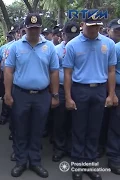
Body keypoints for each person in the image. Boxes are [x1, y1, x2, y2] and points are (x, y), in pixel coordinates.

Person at [63, 9, 117, 180]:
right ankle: (78, 165)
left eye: (97, 26)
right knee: (79, 129)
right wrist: (69, 97)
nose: (94, 29)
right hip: (80, 90)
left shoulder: (108, 44)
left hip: (100, 90)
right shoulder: (72, 45)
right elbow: (68, 73)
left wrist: (111, 94)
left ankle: (90, 164)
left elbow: (111, 71)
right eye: (90, 25)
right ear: (82, 25)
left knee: (94, 129)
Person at [4, 13, 59, 178]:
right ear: (25, 29)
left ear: (40, 28)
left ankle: (35, 161)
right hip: (21, 94)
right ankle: (21, 161)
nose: (33, 31)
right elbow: (8, 71)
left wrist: (55, 95)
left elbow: (54, 72)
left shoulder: (48, 47)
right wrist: (7, 93)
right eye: (30, 28)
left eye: (36, 28)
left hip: (42, 95)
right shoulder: (15, 47)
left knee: (37, 129)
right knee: (20, 129)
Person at [51, 21, 80, 162]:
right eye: (69, 36)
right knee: (60, 120)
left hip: (78, 88)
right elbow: (53, 71)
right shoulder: (56, 50)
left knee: (76, 120)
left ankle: (72, 147)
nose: (72, 38)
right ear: (63, 35)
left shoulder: (82, 47)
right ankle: (60, 148)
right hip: (61, 88)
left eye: (75, 36)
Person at [106, 18, 120, 175]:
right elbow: (110, 71)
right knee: (116, 124)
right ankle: (114, 157)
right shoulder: (116, 48)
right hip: (117, 88)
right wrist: (112, 93)